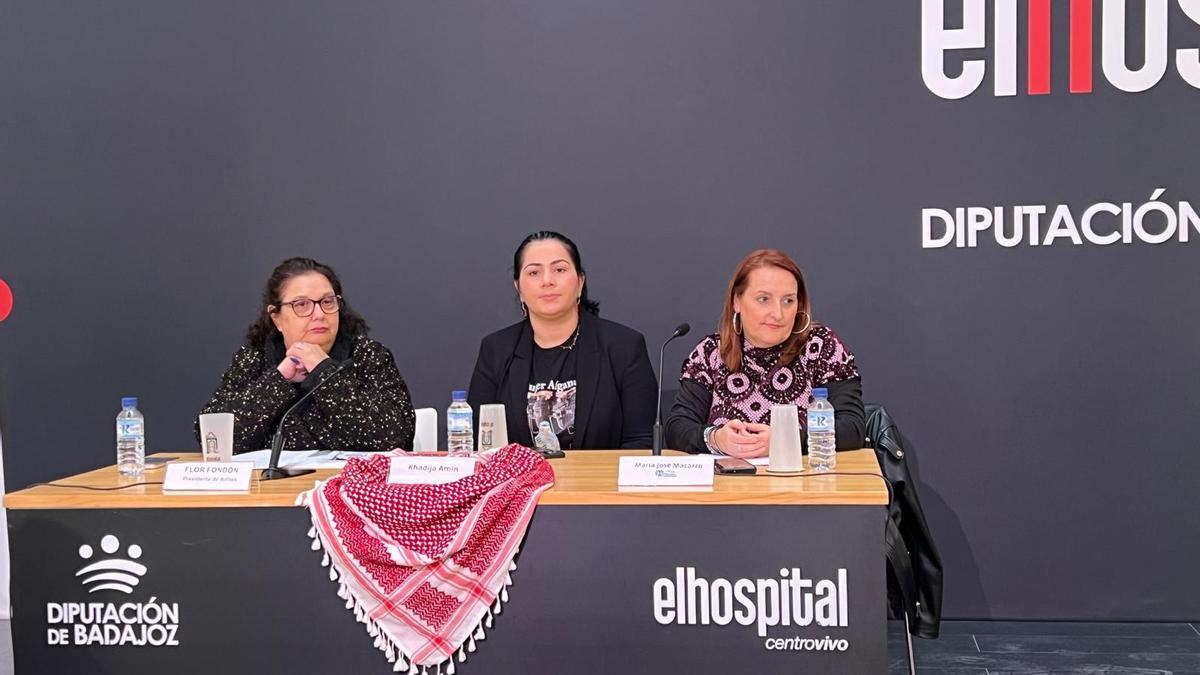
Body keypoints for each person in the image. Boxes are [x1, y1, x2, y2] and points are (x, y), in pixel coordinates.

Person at [197, 257, 415, 454]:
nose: (319, 314)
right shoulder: (254, 359)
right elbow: (212, 438)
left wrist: (323, 370)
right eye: (302, 305)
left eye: (327, 302)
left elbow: (397, 437)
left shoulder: (368, 355)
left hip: (349, 489)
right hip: (271, 492)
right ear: (277, 318)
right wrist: (279, 380)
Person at [665, 249, 864, 456]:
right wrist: (715, 438)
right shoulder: (711, 352)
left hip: (804, 483)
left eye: (788, 301)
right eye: (763, 299)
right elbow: (677, 427)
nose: (778, 314)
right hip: (729, 485)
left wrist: (784, 440)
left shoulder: (821, 346)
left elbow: (852, 427)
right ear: (737, 302)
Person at [469, 231, 657, 449]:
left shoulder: (624, 347)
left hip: (599, 482)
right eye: (534, 273)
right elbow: (478, 442)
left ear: (580, 282)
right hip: (521, 482)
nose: (547, 281)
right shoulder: (496, 350)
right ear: (519, 288)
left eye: (559, 269)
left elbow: (642, 442)